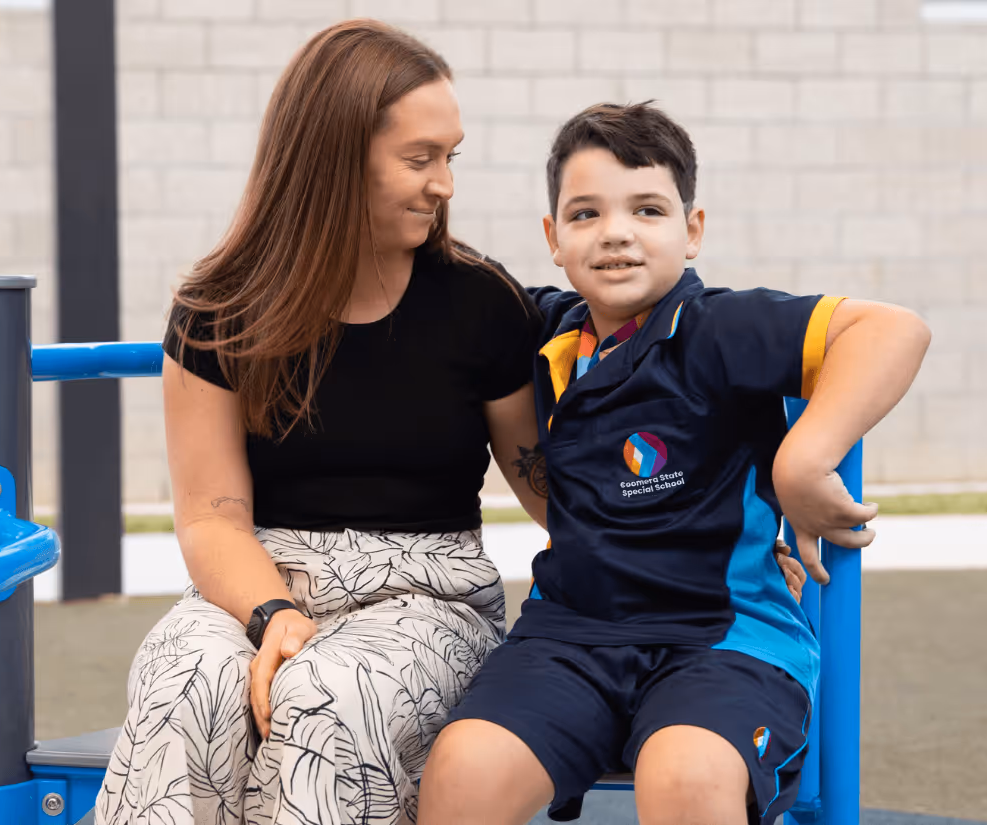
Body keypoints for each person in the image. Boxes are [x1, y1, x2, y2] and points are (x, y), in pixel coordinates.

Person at [95, 21, 807, 825]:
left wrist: (710, 533)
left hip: (422, 590)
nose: (445, 185)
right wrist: (274, 614)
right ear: (337, 157)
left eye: (450, 156)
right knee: (180, 678)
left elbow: (559, 481)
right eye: (420, 158)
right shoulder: (216, 311)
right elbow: (210, 515)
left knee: (328, 695)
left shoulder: (478, 303)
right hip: (255, 578)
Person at [418, 102, 931, 825]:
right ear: (554, 239)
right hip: (571, 636)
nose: (616, 232)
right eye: (585, 213)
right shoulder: (541, 329)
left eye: (648, 208)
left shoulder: (719, 328)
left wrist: (801, 462)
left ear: (692, 231)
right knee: (462, 774)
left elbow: (891, 329)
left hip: (723, 640)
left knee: (685, 778)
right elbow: (440, 280)